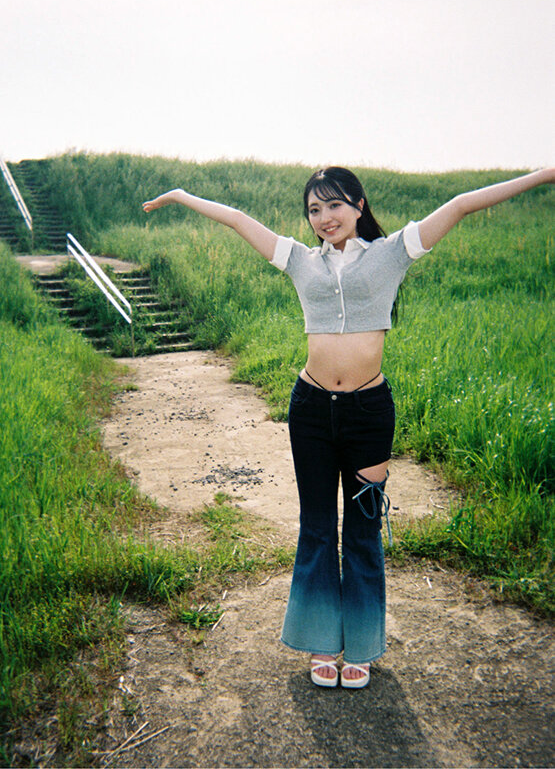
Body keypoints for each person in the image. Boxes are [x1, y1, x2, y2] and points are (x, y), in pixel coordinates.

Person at [143, 165, 553, 689]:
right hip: (311, 409)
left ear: (358, 205)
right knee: (316, 526)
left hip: (368, 412)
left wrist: (544, 175)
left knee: (362, 528)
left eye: (334, 205)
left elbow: (460, 205)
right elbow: (238, 219)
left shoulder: (392, 253)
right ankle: (321, 640)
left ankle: (360, 645)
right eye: (314, 209)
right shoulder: (300, 260)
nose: (324, 217)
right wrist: (182, 196)